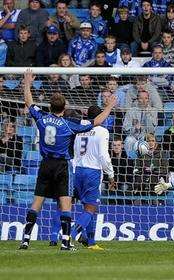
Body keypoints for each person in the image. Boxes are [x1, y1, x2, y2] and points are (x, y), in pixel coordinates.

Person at [19, 70, 116, 251]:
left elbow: (29, 102)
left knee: (37, 202)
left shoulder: (42, 118)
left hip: (46, 163)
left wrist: (27, 83)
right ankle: (66, 240)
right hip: (63, 166)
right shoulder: (69, 124)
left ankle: (25, 239)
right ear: (64, 108)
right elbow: (95, 121)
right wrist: (109, 107)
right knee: (66, 203)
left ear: (50, 106)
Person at [71, 105, 115, 250]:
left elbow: (75, 152)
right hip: (93, 172)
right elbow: (103, 155)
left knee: (87, 208)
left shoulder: (80, 129)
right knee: (91, 207)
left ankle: (91, 242)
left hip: (78, 171)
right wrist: (111, 174)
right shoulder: (102, 131)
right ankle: (70, 235)